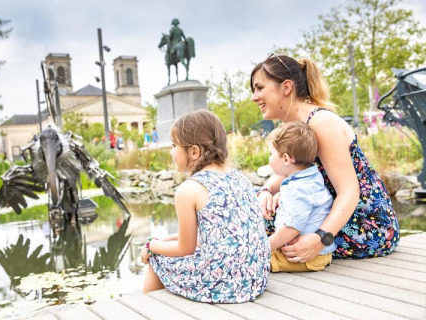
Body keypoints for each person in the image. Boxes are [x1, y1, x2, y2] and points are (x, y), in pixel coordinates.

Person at [251, 53, 399, 262]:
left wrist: (321, 239)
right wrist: (266, 191)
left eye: (259, 88)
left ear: (286, 87)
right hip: (320, 212)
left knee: (255, 221)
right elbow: (289, 170)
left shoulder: (322, 123)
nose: (254, 97)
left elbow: (349, 192)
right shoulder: (291, 125)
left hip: (366, 225)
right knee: (253, 203)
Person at [141, 110, 270, 303]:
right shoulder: (237, 176)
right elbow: (221, 237)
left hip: (225, 284)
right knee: (164, 249)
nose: (171, 151)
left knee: (157, 258)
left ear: (194, 151)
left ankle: (144, 309)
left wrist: (151, 245)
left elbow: (185, 248)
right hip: (255, 276)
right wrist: (168, 239)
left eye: (174, 145)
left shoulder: (189, 190)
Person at [267, 122, 334, 272]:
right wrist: (281, 196)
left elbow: (292, 229)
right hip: (321, 253)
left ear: (285, 159)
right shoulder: (310, 176)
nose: (269, 158)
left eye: (271, 154)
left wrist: (263, 247)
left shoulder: (296, 189)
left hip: (305, 257)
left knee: (255, 260)